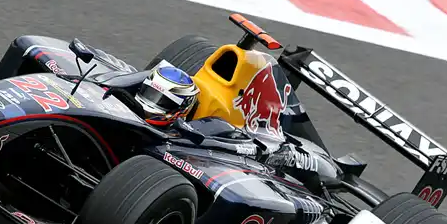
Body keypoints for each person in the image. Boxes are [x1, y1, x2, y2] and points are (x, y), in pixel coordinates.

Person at [135, 66, 319, 177]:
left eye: (162, 101)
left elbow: (252, 147)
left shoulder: (210, 128)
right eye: (149, 94)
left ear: (181, 108)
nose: (150, 104)